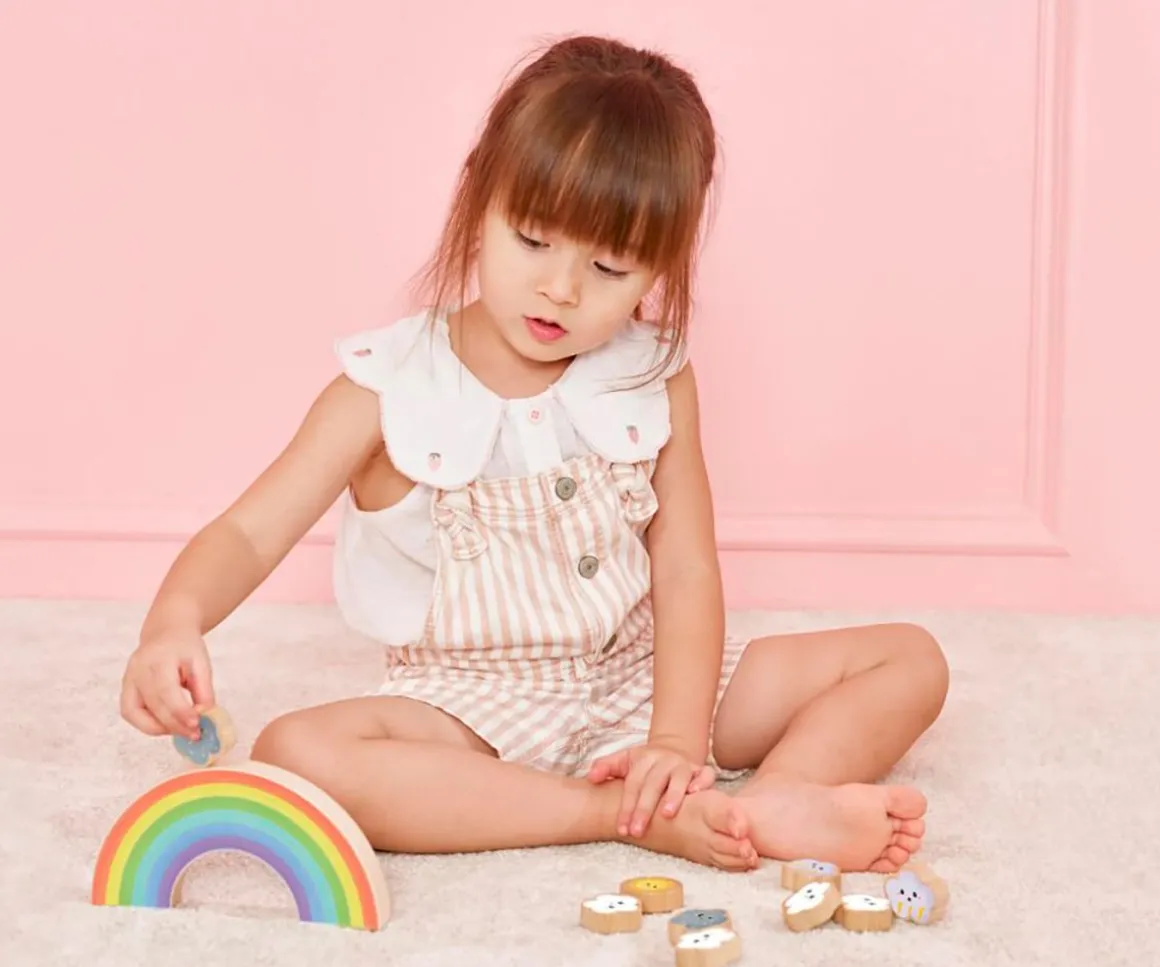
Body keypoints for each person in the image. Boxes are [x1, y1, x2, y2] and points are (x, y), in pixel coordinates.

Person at [119, 34, 949, 873]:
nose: (562, 288)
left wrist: (674, 737)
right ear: (477, 194)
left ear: (659, 267)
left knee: (910, 658)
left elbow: (686, 565)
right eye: (532, 240)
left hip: (641, 674)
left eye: (611, 266)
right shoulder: (388, 387)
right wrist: (173, 621)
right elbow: (249, 532)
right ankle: (610, 812)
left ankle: (777, 794)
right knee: (296, 752)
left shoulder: (653, 373)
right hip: (469, 709)